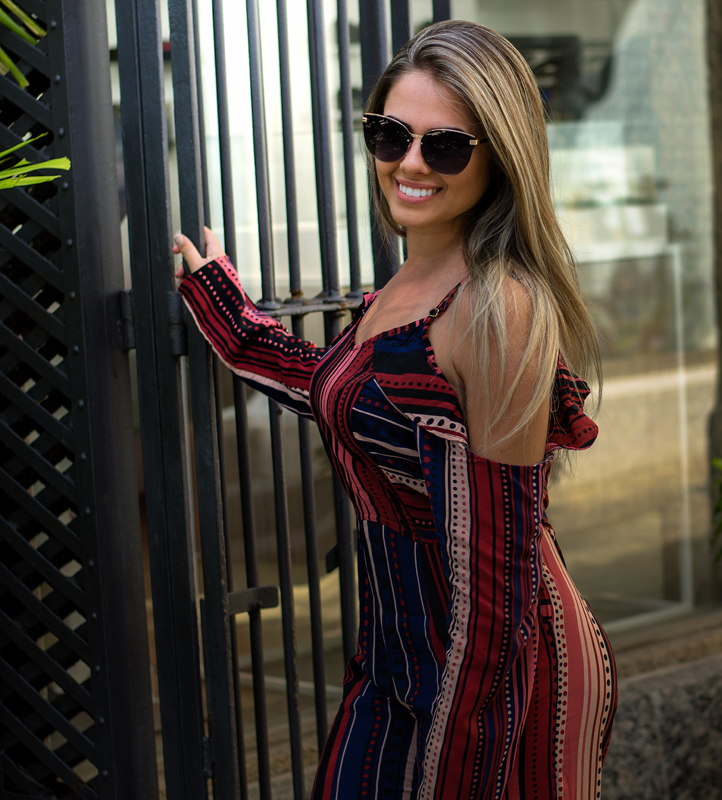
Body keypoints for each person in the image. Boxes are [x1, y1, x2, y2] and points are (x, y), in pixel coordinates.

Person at [173, 19, 615, 799]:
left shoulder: (496, 311)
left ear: (501, 159)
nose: (409, 164)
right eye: (390, 135)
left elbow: (496, 588)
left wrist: (459, 762)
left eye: (445, 146)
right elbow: (343, 397)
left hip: (486, 668)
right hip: (401, 647)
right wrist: (227, 310)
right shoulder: (407, 284)